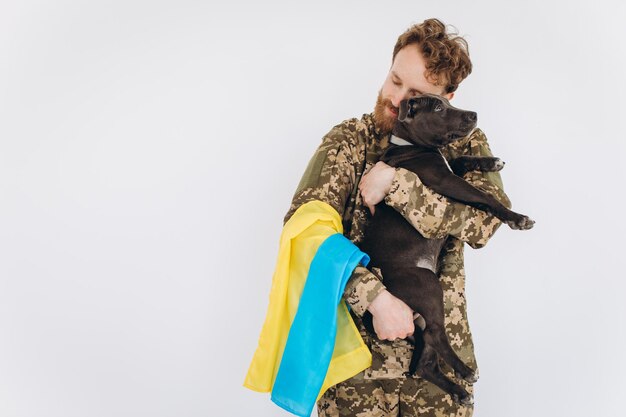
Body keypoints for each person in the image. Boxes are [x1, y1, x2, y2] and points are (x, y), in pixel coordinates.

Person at [283, 18, 511, 417]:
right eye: (395, 80)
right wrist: (374, 298)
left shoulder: (463, 140)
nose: (398, 101)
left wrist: (401, 185)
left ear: (448, 96)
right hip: (357, 374)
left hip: (439, 370)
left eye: (417, 94)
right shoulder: (349, 141)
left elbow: (485, 223)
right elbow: (306, 233)